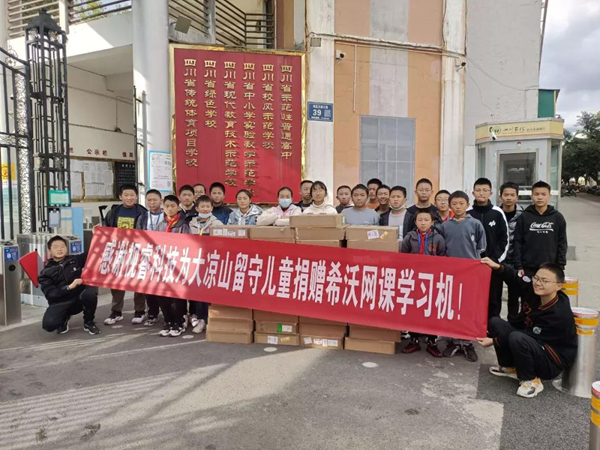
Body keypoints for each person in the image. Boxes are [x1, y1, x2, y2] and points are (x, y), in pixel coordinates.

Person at [478, 258, 577, 399]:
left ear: (558, 286)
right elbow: (515, 278)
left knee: (518, 338)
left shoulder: (559, 314)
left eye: (545, 281)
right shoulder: (534, 290)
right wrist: (497, 267)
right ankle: (512, 367)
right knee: (495, 322)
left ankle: (532, 380)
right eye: (536, 278)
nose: (538, 283)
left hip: (552, 359)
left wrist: (494, 341)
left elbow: (530, 335)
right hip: (534, 343)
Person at [439, 190, 487, 362]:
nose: (458, 207)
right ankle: (453, 340)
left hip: (471, 273)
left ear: (467, 205)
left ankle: (467, 342)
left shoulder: (475, 224)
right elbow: (442, 248)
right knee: (452, 306)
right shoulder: (445, 226)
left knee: (468, 307)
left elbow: (481, 247)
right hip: (451, 273)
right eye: (454, 204)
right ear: (450, 206)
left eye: (461, 204)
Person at [400, 209, 446, 357]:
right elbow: (403, 257)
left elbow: (443, 258)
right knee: (414, 309)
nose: (423, 223)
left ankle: (432, 341)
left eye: (426, 220)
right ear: (415, 222)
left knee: (431, 310)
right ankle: (414, 339)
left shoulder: (438, 238)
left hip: (432, 280)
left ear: (432, 222)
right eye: (420, 220)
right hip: (414, 279)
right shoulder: (410, 237)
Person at [102, 184, 147, 325]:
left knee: (138, 282)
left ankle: (140, 310)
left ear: (136, 196)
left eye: (132, 195)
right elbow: (106, 230)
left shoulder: (143, 212)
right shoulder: (113, 212)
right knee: (116, 283)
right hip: (118, 252)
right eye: (126, 195)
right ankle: (116, 312)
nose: (129, 198)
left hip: (137, 252)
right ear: (120, 197)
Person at [148, 195, 191, 337]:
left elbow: (187, 245)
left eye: (173, 206)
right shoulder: (161, 225)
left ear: (178, 207)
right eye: (167, 206)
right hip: (162, 267)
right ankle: (168, 321)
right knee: (162, 295)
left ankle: (179, 322)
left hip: (177, 266)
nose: (170, 209)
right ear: (163, 208)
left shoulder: (183, 225)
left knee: (178, 296)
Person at [39, 236, 100, 335]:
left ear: (67, 248)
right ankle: (64, 318)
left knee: (90, 292)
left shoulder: (75, 260)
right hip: (60, 302)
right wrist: (69, 287)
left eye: (62, 246)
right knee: (49, 325)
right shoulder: (45, 273)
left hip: (78, 299)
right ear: (49, 251)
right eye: (56, 247)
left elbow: (94, 253)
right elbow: (51, 294)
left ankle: (88, 322)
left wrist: (96, 236)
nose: (60, 249)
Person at [468, 178, 509, 319]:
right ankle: (474, 326)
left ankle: (493, 327)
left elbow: (504, 239)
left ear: (491, 193)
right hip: (472, 265)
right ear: (473, 193)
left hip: (493, 265)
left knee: (494, 299)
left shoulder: (498, 213)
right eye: (478, 190)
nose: (481, 193)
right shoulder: (467, 213)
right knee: (473, 298)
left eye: (485, 190)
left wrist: (494, 260)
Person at [513, 180, 568, 278]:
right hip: (528, 267)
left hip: (550, 267)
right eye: (536, 194)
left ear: (549, 196)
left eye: (543, 194)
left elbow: (562, 242)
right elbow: (517, 241)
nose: (540, 197)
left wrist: (560, 265)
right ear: (531, 196)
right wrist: (518, 265)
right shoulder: (524, 216)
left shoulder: (557, 217)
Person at [188, 195, 222, 334]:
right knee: (198, 292)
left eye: (208, 206)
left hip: (211, 262)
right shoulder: (191, 224)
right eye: (202, 206)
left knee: (210, 292)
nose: (205, 209)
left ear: (212, 208)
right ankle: (201, 319)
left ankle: (211, 319)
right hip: (196, 262)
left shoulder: (217, 224)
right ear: (197, 208)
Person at [134, 189, 164, 326]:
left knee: (163, 287)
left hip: (164, 256)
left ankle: (167, 313)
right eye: (149, 200)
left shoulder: (166, 215)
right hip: (147, 256)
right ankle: (152, 314)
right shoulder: (143, 217)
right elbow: (137, 235)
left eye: (155, 200)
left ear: (161, 201)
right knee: (149, 287)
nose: (152, 202)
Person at [500, 182, 525, 321]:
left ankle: (513, 322)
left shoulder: (524, 215)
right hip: (498, 260)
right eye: (506, 195)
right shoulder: (495, 213)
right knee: (494, 294)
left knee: (514, 295)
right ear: (500, 196)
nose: (509, 198)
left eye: (512, 195)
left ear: (517, 197)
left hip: (516, 260)